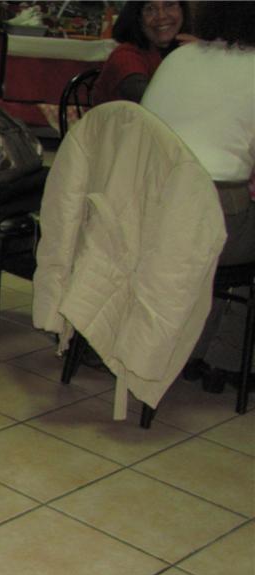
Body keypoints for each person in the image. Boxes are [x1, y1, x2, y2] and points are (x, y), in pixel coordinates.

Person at [141, 1, 255, 386]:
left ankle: (194, 349)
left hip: (148, 213)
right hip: (211, 221)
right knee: (233, 232)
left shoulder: (178, 58)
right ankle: (230, 359)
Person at [92, 0, 192, 105]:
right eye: (150, 9)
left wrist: (201, 54)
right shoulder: (125, 57)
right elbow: (156, 104)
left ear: (183, 11)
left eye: (169, 5)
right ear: (137, 18)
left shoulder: (180, 50)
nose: (161, 16)